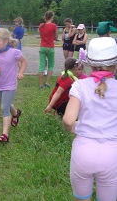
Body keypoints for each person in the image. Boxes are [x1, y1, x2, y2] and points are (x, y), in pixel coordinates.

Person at [63, 37, 117, 201]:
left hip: (83, 153)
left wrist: (72, 128)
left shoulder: (80, 86)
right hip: (112, 155)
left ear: (89, 63)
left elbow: (68, 120)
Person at [0, 28, 27, 143]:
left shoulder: (14, 52)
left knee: (4, 107)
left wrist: (20, 72)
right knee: (6, 104)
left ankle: (5, 135)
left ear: (5, 41)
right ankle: (16, 113)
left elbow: (24, 61)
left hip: (10, 84)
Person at [38, 11, 58, 88]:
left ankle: (40, 84)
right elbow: (56, 36)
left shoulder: (41, 26)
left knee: (41, 65)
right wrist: (54, 38)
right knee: (51, 65)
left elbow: (41, 36)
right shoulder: (53, 26)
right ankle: (47, 82)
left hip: (42, 47)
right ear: (52, 17)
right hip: (50, 47)